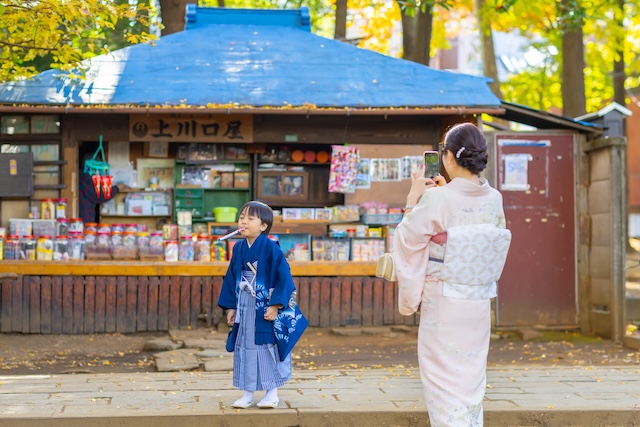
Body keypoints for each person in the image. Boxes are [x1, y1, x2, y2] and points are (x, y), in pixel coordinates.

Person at [392, 122, 507, 426]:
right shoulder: (494, 197)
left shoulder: (438, 198)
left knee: (443, 384)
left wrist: (413, 199)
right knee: (470, 382)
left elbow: (407, 239)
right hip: (478, 302)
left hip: (444, 301)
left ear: (450, 157)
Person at [218, 201, 296, 409]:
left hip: (265, 305)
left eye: (250, 218)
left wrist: (276, 304)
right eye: (242, 217)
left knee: (268, 348)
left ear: (263, 226)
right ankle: (248, 393)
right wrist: (231, 306)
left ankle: (272, 393)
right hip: (245, 303)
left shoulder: (271, 248)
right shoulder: (239, 248)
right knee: (245, 347)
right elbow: (231, 276)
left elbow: (283, 276)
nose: (244, 221)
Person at [78, 154, 126, 223]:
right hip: (84, 218)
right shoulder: (86, 178)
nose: (99, 172)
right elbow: (100, 195)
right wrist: (117, 188)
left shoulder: (82, 176)